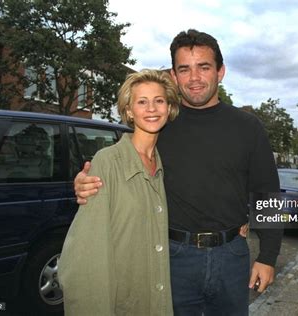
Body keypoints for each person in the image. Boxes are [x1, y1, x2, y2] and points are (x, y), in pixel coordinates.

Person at [74, 29, 283, 315]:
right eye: (184, 69)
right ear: (174, 75)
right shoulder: (159, 122)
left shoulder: (248, 128)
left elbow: (268, 196)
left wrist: (268, 257)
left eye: (204, 67)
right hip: (171, 258)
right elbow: (124, 161)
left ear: (220, 72)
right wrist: (85, 181)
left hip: (232, 255)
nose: (194, 78)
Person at [59, 69, 179, 315]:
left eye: (159, 101)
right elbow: (85, 256)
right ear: (128, 111)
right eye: (142, 102)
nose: (152, 109)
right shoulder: (107, 161)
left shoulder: (162, 163)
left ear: (169, 108)